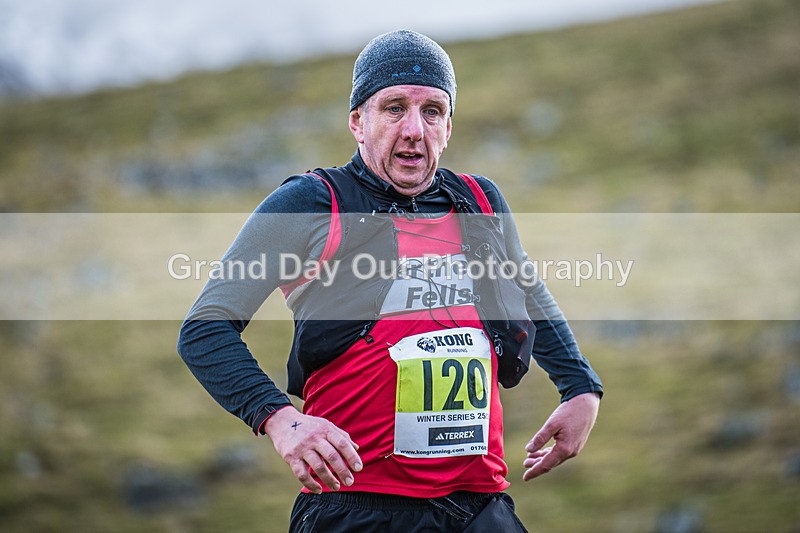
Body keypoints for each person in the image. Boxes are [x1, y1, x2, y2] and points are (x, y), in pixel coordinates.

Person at [178, 29, 602, 532]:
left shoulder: (480, 202)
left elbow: (526, 290)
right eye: (394, 108)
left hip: (480, 506)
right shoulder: (313, 203)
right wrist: (280, 420)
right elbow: (205, 329)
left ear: (448, 127)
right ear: (358, 122)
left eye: (432, 112)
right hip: (358, 509)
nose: (414, 131)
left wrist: (579, 387)